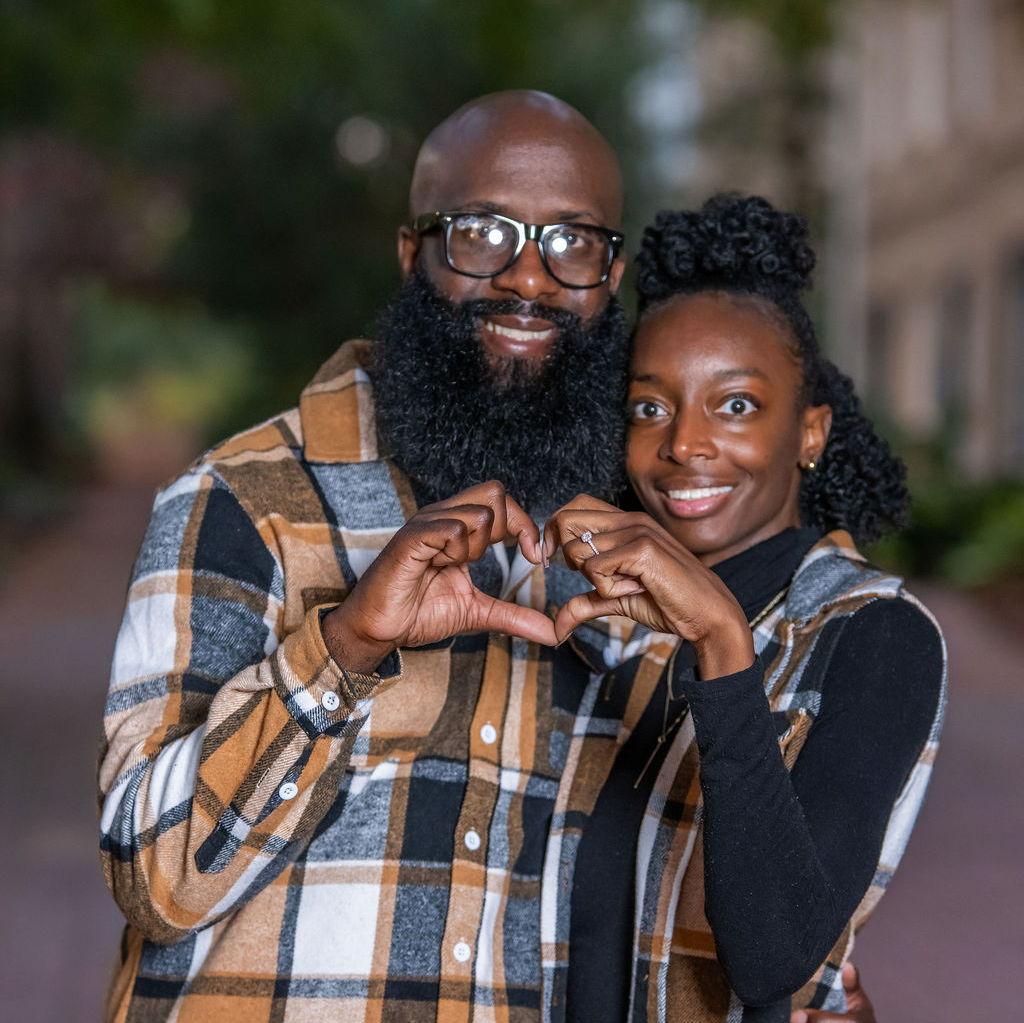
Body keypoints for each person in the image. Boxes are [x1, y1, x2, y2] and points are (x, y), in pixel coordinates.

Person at [98, 91, 878, 1021]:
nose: (529, 279)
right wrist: (344, 647)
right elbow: (151, 882)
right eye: (482, 232)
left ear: (611, 274)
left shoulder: (634, 535)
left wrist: (821, 993)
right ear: (412, 252)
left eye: (571, 241)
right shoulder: (243, 499)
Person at [537, 195, 946, 1022]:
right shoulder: (591, 617)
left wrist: (723, 641)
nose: (684, 443)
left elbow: (772, 957)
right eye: (651, 406)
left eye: (735, 404)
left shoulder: (874, 634)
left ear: (811, 432)